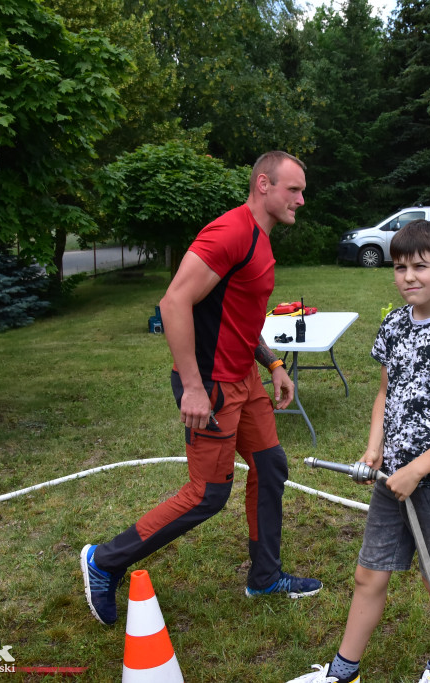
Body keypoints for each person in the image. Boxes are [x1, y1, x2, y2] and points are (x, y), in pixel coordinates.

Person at [79, 151, 321, 626]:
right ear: (263, 184)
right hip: (209, 386)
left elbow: (238, 317)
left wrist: (272, 363)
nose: (302, 199)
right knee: (207, 494)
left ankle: (265, 576)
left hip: (244, 379)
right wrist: (192, 386)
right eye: (294, 190)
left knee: (270, 467)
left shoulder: (261, 241)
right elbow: (174, 302)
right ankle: (104, 561)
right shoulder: (230, 232)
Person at [288, 220, 430, 683]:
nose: (409, 277)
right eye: (400, 268)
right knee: (369, 574)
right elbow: (385, 393)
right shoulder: (395, 322)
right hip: (390, 478)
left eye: (420, 266)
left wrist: (418, 470)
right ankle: (343, 672)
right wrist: (375, 449)